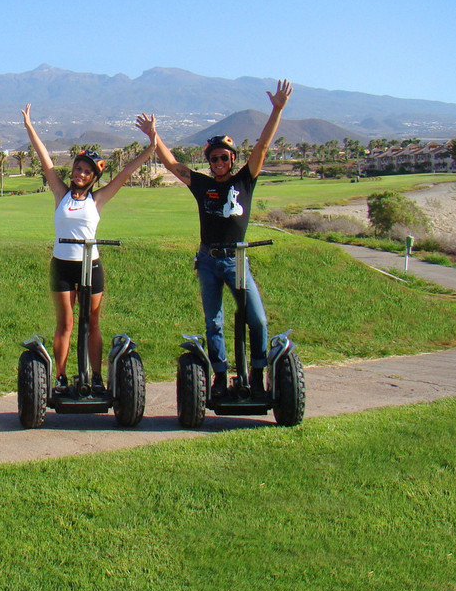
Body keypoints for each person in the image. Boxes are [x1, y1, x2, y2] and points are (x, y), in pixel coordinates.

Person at [138, 79, 292, 400]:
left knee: (258, 320)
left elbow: (263, 147)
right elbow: (173, 165)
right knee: (214, 323)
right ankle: (220, 376)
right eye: (214, 159)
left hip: (237, 260)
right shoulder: (203, 185)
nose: (219, 163)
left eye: (224, 158)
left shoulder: (245, 181)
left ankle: (257, 374)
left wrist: (276, 110)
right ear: (209, 162)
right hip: (208, 260)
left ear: (233, 159)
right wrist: (154, 136)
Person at [22, 105, 157, 394]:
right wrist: (29, 127)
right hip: (62, 266)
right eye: (78, 169)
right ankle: (60, 378)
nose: (81, 174)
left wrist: (152, 143)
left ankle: (95, 377)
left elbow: (127, 171)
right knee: (66, 323)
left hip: (90, 266)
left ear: (94, 177)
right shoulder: (60, 193)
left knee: (92, 321)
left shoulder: (97, 199)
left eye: (87, 171)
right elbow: (45, 160)